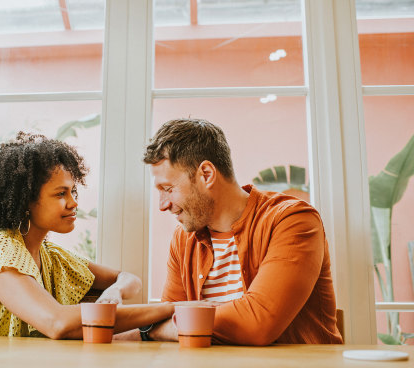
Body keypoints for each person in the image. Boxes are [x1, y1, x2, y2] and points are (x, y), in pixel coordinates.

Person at [0, 132, 173, 338]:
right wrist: (171, 308)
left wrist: (115, 291)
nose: (73, 203)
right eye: (60, 194)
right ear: (26, 201)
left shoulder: (52, 257)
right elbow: (58, 323)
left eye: (73, 191)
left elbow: (129, 278)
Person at [131, 118, 343, 345]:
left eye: (168, 188)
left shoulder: (292, 220)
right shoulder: (184, 238)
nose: (162, 205)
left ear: (206, 174)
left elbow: (257, 323)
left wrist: (150, 331)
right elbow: (166, 319)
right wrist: (161, 327)